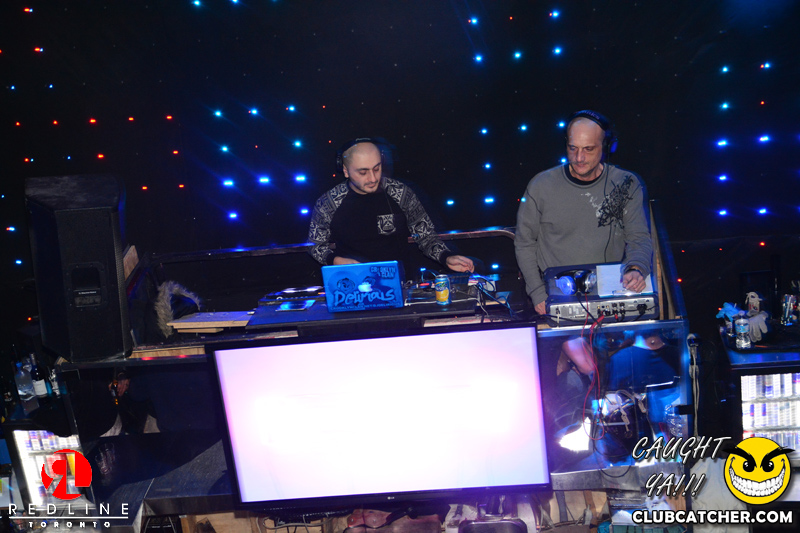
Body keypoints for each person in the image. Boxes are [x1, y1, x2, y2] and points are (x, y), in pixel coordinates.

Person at [515, 110, 652, 314]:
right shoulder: (541, 185)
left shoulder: (626, 184)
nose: (579, 157)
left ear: (607, 146)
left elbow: (638, 237)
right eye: (573, 148)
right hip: (558, 293)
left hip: (610, 292)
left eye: (588, 149)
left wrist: (636, 268)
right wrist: (537, 292)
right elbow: (524, 242)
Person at [308, 139, 474, 274]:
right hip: (352, 286)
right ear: (345, 171)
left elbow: (426, 236)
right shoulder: (328, 203)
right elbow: (315, 246)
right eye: (363, 172)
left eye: (377, 168)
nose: (373, 178)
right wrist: (335, 260)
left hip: (398, 282)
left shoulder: (401, 192)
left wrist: (446, 257)